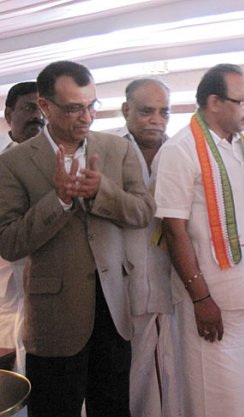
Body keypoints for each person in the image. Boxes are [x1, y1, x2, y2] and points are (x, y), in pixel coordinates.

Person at [0, 60, 155, 417]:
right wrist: (58, 201)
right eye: (73, 108)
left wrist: (103, 192)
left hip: (113, 309)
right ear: (45, 106)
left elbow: (143, 212)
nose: (86, 117)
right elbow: (9, 242)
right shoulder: (14, 163)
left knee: (113, 408)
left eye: (91, 105)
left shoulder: (117, 150)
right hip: (54, 317)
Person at [153, 63, 244, 417]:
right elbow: (174, 231)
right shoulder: (181, 150)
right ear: (214, 102)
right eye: (242, 101)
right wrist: (201, 298)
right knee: (220, 404)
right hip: (214, 307)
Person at [107, 78, 184, 417]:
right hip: (118, 286)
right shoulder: (104, 149)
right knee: (118, 378)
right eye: (146, 111)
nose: (156, 120)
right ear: (126, 110)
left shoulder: (180, 152)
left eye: (164, 112)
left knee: (163, 378)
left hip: (170, 284)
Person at [0, 81, 45, 375]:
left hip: (48, 292)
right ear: (9, 115)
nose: (38, 116)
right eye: (29, 107)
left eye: (43, 108)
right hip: (6, 295)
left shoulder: (59, 161)